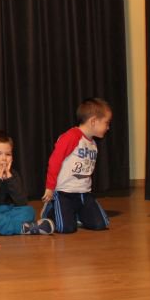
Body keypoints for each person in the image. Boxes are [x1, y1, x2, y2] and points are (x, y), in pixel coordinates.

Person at [41, 98, 112, 233]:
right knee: (65, 228)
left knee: (100, 224)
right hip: (64, 193)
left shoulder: (93, 144)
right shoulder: (71, 137)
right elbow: (54, 161)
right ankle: (50, 209)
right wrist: (50, 187)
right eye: (106, 123)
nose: (108, 127)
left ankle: (76, 214)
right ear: (93, 121)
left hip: (83, 194)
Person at [0, 129, 55, 236]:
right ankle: (23, 228)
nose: (4, 159)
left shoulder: (13, 174)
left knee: (29, 211)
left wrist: (10, 178)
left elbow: (22, 202)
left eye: (8, 154)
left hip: (8, 211)